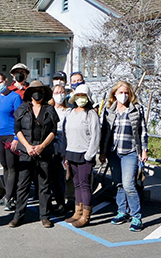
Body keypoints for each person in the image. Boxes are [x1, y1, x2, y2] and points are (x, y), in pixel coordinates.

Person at [100, 81, 148, 232]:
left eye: (126, 92)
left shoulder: (136, 109)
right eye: (120, 92)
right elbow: (104, 132)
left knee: (129, 184)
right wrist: (102, 152)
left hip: (130, 151)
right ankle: (122, 211)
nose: (124, 95)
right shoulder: (109, 110)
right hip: (114, 152)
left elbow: (143, 131)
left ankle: (136, 216)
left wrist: (144, 150)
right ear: (114, 94)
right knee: (118, 183)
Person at [9, 80, 59, 229]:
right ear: (29, 93)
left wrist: (42, 146)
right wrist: (28, 146)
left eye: (41, 90)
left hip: (44, 151)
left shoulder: (49, 109)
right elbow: (17, 129)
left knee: (44, 186)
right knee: (22, 185)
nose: (37, 93)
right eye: (34, 90)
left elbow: (53, 131)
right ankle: (18, 215)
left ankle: (45, 216)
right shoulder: (22, 108)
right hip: (26, 151)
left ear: (44, 93)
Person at [64, 85, 100, 228]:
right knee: (76, 183)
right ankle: (77, 212)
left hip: (85, 154)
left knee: (85, 185)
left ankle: (86, 215)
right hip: (71, 152)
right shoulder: (70, 113)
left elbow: (95, 136)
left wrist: (90, 155)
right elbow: (66, 133)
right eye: (78, 95)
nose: (80, 98)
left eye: (83, 96)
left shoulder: (91, 114)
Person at [0, 72, 22, 211]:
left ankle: (10, 198)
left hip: (11, 135)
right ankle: (8, 195)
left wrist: (17, 138)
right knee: (4, 166)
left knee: (12, 167)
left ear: (6, 81)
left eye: (0, 82)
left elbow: (19, 119)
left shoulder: (15, 97)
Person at [49, 84, 69, 214]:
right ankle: (48, 202)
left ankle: (61, 203)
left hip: (64, 143)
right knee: (49, 176)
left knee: (60, 177)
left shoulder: (68, 111)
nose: (59, 95)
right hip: (50, 143)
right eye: (56, 92)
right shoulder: (49, 109)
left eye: (61, 92)